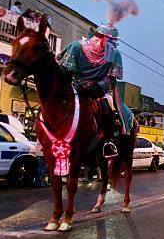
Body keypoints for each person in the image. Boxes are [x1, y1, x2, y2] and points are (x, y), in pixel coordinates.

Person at [57, 22, 133, 158]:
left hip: (98, 92)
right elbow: (66, 71)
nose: (112, 45)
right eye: (110, 41)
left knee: (108, 109)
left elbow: (111, 77)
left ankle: (108, 143)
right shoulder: (76, 47)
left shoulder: (115, 55)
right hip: (75, 88)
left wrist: (98, 88)